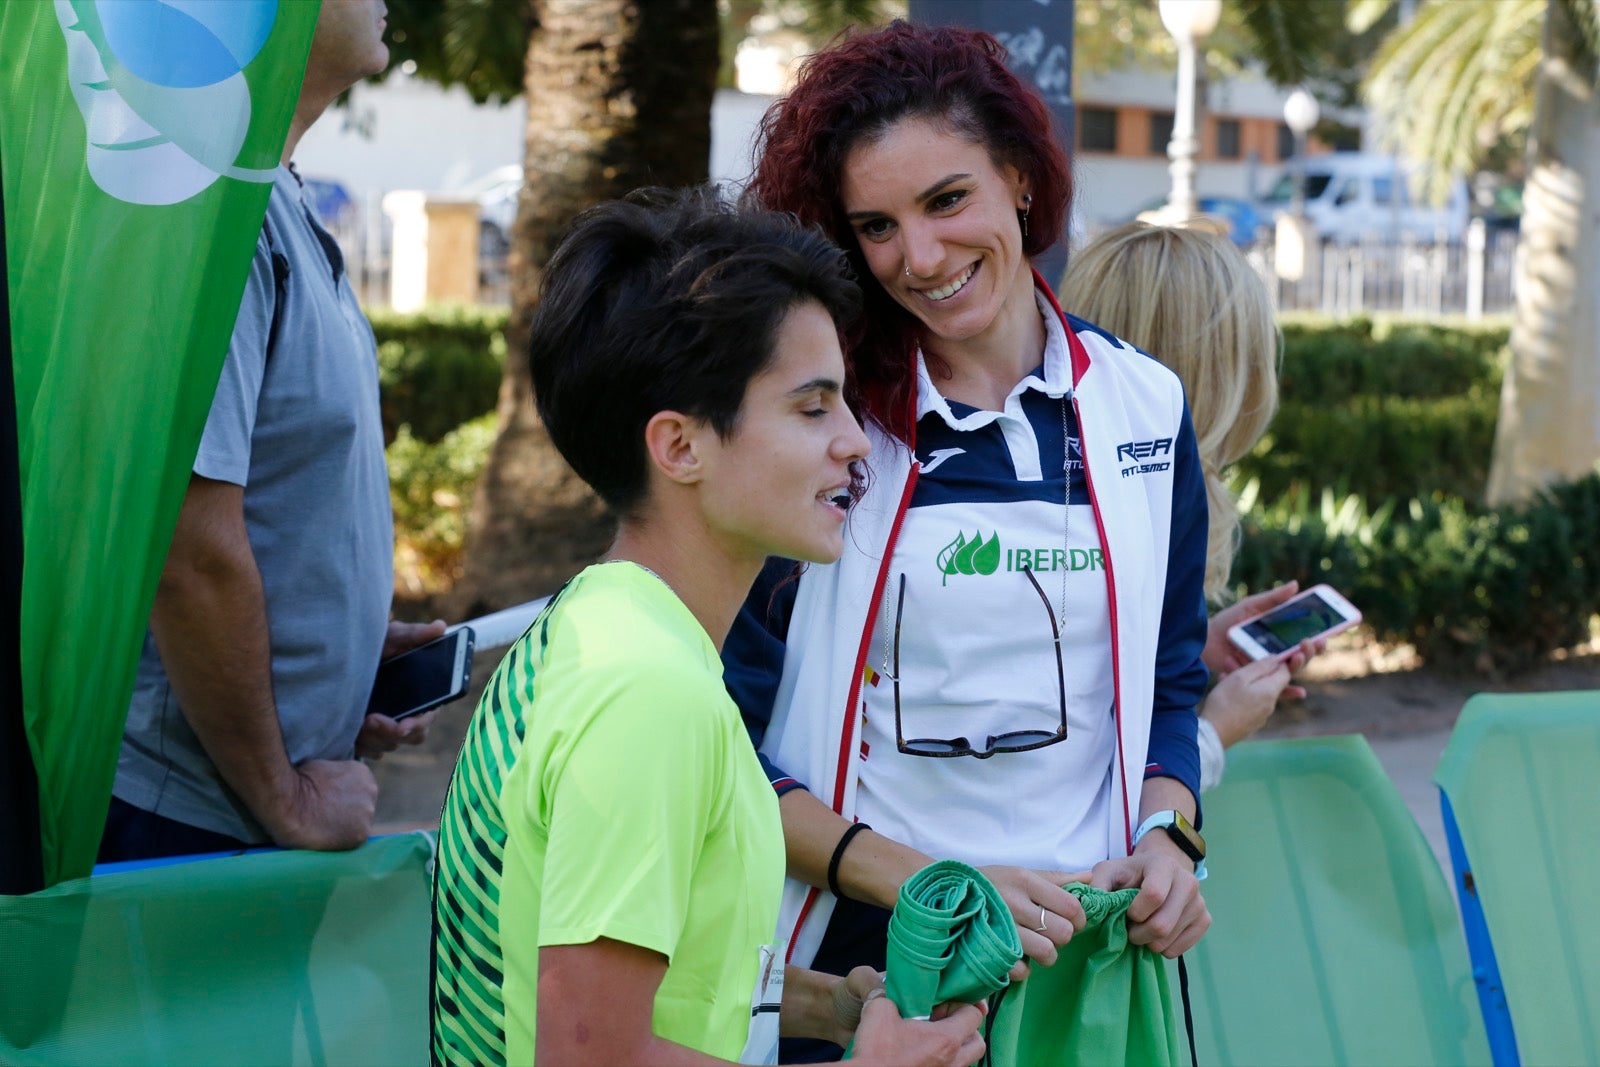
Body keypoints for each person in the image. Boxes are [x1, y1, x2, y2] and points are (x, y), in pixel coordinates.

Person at [726, 21, 1212, 1058]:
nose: (922, 256)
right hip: (876, 968)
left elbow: (1170, 682)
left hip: (1091, 960)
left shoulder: (1141, 404)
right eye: (877, 225)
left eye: (947, 199)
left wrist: (1171, 836)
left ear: (1021, 182)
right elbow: (719, 744)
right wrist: (927, 884)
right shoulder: (822, 426)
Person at [429, 189, 987, 1067]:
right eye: (812, 408)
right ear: (680, 446)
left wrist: (829, 1005)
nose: (855, 441)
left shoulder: (601, 628)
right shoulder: (649, 693)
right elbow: (588, 1058)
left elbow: (651, 984)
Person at [99, 0, 446, 863]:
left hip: (229, 808)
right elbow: (188, 549)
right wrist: (282, 795)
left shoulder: (267, 199)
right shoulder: (208, 211)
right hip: (183, 819)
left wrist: (339, 648)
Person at [1060, 219, 1324, 791]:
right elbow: (1094, 794)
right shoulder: (1107, 529)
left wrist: (1193, 645)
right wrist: (1216, 731)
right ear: (1222, 374)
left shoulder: (1066, 485)